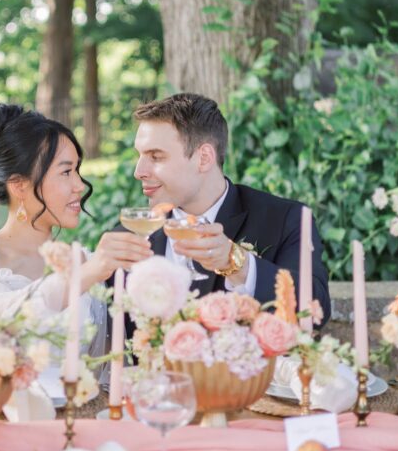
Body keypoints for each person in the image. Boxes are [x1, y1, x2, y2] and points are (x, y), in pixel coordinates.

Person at [0, 103, 146, 383]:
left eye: (77, 170)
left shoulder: (87, 261)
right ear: (19, 185)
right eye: (66, 172)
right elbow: (5, 325)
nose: (79, 185)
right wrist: (87, 274)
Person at [106, 92, 331, 323]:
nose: (138, 171)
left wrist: (238, 265)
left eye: (155, 156)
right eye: (140, 155)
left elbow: (315, 311)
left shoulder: (283, 219)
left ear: (204, 158)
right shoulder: (128, 238)